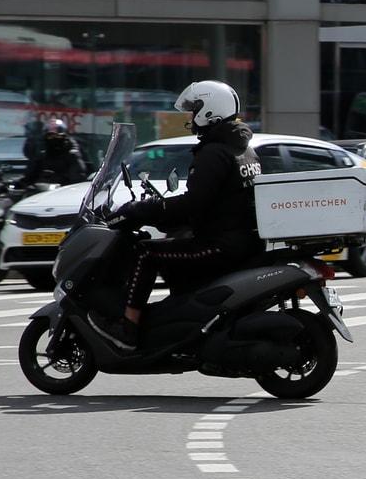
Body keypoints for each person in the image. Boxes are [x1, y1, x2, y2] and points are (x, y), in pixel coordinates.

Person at [89, 80, 263, 350]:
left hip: (220, 245)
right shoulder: (242, 148)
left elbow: (194, 203)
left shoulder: (214, 152)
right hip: (238, 240)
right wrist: (166, 213)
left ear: (210, 110)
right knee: (173, 250)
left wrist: (143, 211)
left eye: (195, 110)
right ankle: (179, 323)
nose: (192, 118)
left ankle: (127, 329)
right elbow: (216, 200)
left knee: (146, 253)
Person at [19, 119, 88, 187]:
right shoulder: (41, 149)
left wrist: (60, 181)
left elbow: (77, 177)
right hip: (41, 189)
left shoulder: (71, 151)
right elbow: (31, 170)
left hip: (62, 189)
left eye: (56, 131)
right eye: (49, 131)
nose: (52, 134)